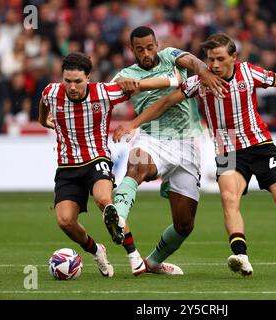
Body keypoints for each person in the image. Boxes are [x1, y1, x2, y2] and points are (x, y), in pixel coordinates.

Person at [113, 33, 276, 277]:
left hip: (261, 146)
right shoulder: (199, 82)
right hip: (227, 151)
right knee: (228, 197)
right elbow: (164, 103)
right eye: (210, 60)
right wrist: (134, 123)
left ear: (233, 58)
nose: (214, 65)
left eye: (219, 59)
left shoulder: (248, 73)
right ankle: (241, 256)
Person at [38, 52, 182, 277]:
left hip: (97, 159)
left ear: (88, 77)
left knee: (105, 201)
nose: (72, 87)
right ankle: (97, 251)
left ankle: (133, 255)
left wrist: (173, 81)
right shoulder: (52, 92)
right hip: (67, 166)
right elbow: (44, 103)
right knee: (65, 221)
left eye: (77, 81)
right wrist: (43, 120)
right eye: (68, 81)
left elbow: (140, 85)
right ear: (62, 78)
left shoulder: (104, 92)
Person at [103, 26, 227, 275]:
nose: (146, 53)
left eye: (150, 47)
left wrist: (204, 71)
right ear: (132, 50)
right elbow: (99, 96)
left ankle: (153, 262)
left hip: (188, 142)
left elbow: (191, 60)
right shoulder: (124, 76)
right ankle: (118, 217)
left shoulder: (171, 55)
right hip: (151, 137)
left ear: (157, 44)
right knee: (136, 167)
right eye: (140, 49)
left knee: (184, 224)